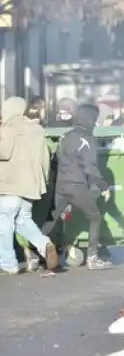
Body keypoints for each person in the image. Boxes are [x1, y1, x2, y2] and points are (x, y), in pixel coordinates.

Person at [42, 104, 112, 270]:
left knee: (52, 219)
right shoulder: (87, 139)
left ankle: (35, 252)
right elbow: (90, 168)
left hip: (61, 185)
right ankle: (93, 258)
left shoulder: (66, 137)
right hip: (78, 186)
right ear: (91, 119)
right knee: (95, 217)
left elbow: (55, 161)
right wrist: (104, 187)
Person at [0, 97, 59, 275]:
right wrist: (44, 182)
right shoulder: (37, 129)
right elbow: (45, 159)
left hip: (10, 185)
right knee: (23, 220)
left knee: (4, 223)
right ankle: (44, 244)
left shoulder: (9, 128)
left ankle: (8, 264)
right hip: (31, 185)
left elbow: (4, 151)